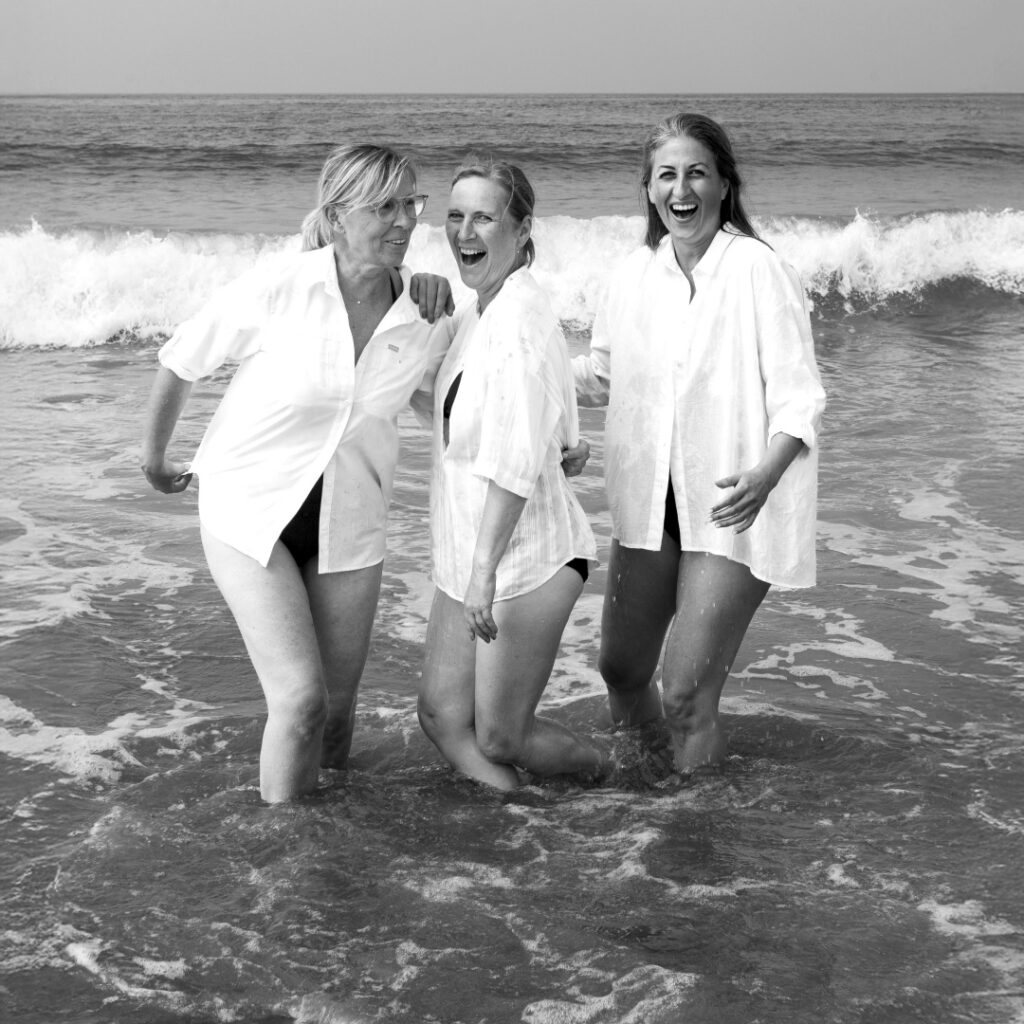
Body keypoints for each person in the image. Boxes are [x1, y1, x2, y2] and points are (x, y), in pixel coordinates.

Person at [141, 144, 456, 803]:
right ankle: (281, 850)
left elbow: (447, 402)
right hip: (250, 513)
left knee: (336, 716)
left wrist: (551, 443)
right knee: (301, 700)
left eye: (411, 203)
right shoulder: (281, 287)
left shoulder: (425, 313)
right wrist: (155, 459)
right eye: (385, 207)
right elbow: (182, 359)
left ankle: (328, 839)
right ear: (338, 216)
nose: (405, 220)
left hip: (351, 522)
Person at [574, 113, 826, 775]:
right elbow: (601, 374)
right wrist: (517, 373)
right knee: (621, 669)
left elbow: (799, 397)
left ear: (723, 185)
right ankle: (643, 789)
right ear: (649, 189)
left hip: (732, 502)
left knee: (685, 694)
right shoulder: (634, 273)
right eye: (666, 175)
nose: (680, 189)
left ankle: (697, 824)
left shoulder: (757, 269)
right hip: (649, 497)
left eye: (696, 173)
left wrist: (765, 475)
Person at [417, 159, 610, 790]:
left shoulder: (518, 321)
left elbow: (515, 461)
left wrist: (482, 574)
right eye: (455, 216)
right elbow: (464, 406)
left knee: (502, 735)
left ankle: (611, 780)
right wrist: (409, 291)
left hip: (524, 559)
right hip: (473, 549)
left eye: (484, 217)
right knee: (442, 716)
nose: (464, 231)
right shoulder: (480, 310)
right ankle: (517, 819)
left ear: (522, 229)